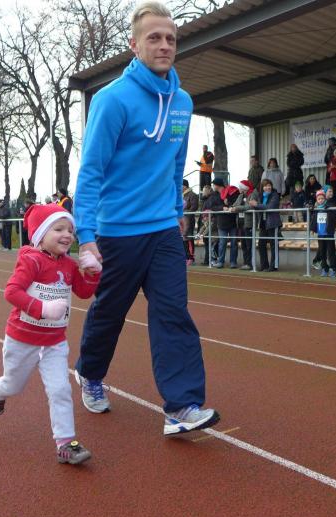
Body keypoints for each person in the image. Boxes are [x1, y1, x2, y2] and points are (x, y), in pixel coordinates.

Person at [73, 0, 219, 435]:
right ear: (134, 45)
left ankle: (182, 406)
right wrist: (86, 236)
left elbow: (175, 165)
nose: (164, 45)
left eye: (171, 38)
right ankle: (90, 373)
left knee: (173, 313)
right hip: (117, 233)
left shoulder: (182, 102)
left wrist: (177, 212)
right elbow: (91, 171)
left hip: (163, 231)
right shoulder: (111, 100)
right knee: (109, 312)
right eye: (154, 38)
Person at [0, 203, 102, 464]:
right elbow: (12, 292)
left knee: (60, 389)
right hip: (22, 339)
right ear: (40, 234)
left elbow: (84, 292)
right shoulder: (31, 260)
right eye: (58, 229)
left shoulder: (69, 265)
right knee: (13, 385)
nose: (67, 235)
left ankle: (65, 444)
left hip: (54, 342)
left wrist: (94, 273)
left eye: (70, 230)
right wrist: (43, 309)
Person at [208, 177, 239, 269]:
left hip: (232, 221)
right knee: (222, 242)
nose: (213, 186)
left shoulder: (230, 192)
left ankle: (233, 262)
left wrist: (228, 203)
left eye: (214, 184)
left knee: (234, 242)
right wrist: (222, 208)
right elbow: (212, 207)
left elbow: (236, 203)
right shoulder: (214, 195)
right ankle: (220, 261)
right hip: (221, 222)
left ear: (218, 185)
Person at [253, 178, 281, 271]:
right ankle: (264, 265)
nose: (268, 187)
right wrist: (253, 204)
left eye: (269, 185)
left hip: (273, 223)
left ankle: (273, 266)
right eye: (265, 186)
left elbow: (270, 207)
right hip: (263, 223)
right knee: (261, 244)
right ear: (262, 187)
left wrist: (256, 205)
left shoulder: (275, 195)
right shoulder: (261, 196)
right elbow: (258, 207)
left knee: (274, 245)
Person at [310, 187, 336, 277]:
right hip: (320, 233)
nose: (321, 200)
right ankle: (324, 268)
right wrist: (313, 229)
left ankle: (333, 268)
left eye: (322, 198)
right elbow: (314, 219)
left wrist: (329, 209)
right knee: (322, 252)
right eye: (319, 199)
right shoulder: (316, 209)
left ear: (325, 198)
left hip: (329, 233)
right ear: (317, 200)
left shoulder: (329, 206)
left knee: (331, 252)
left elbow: (334, 216)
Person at [230, 179, 256, 270]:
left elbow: (250, 206)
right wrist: (232, 208)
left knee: (249, 245)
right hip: (240, 223)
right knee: (244, 244)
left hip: (248, 223)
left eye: (240, 187)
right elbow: (234, 205)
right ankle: (246, 263)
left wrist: (237, 208)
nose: (239, 189)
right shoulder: (241, 195)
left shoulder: (252, 194)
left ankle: (250, 263)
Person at [182, 179, 199, 265]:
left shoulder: (192, 195)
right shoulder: (182, 195)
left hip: (189, 219)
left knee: (188, 237)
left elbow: (194, 207)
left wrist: (185, 212)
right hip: (182, 219)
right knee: (183, 237)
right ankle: (186, 257)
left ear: (185, 186)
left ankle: (191, 257)